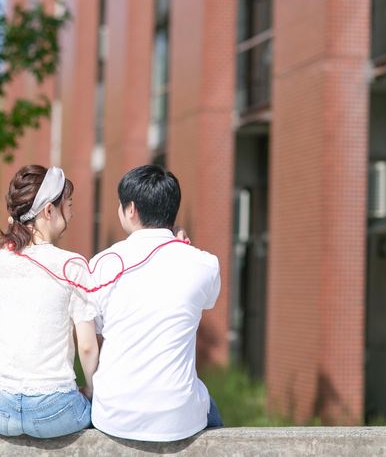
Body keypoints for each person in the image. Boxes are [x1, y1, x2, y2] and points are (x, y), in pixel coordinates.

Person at [89, 165, 222, 442]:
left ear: (131, 209)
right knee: (210, 406)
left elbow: (97, 331)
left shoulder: (102, 264)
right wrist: (183, 248)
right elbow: (207, 301)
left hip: (114, 413)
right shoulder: (204, 264)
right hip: (178, 416)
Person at [0, 165, 99, 438]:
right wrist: (91, 390)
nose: (72, 213)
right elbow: (87, 347)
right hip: (54, 411)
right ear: (48, 210)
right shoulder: (71, 265)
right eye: (68, 205)